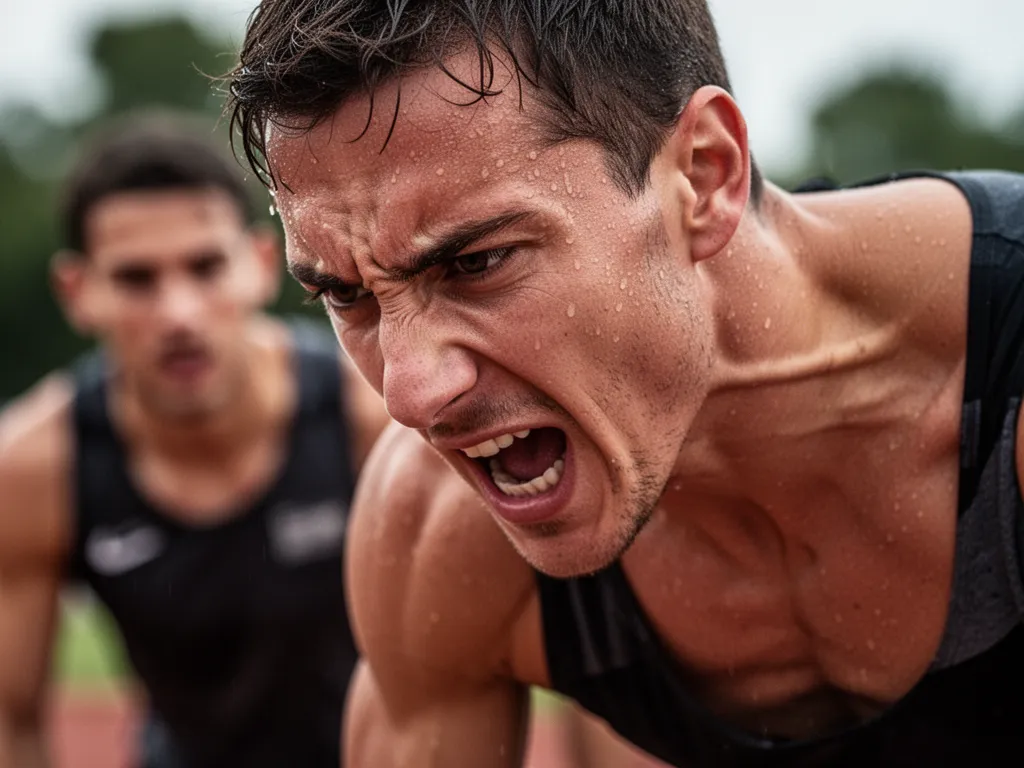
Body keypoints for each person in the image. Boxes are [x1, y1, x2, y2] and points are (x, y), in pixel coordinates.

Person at [226, 1, 1024, 766]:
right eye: (346, 295)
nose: (408, 393)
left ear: (705, 176)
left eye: (476, 263)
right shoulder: (435, 532)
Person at [0, 114, 391, 768]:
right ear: (78, 291)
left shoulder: (369, 419)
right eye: (136, 279)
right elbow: (13, 720)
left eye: (205, 267)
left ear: (262, 265)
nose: (178, 313)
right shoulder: (36, 466)